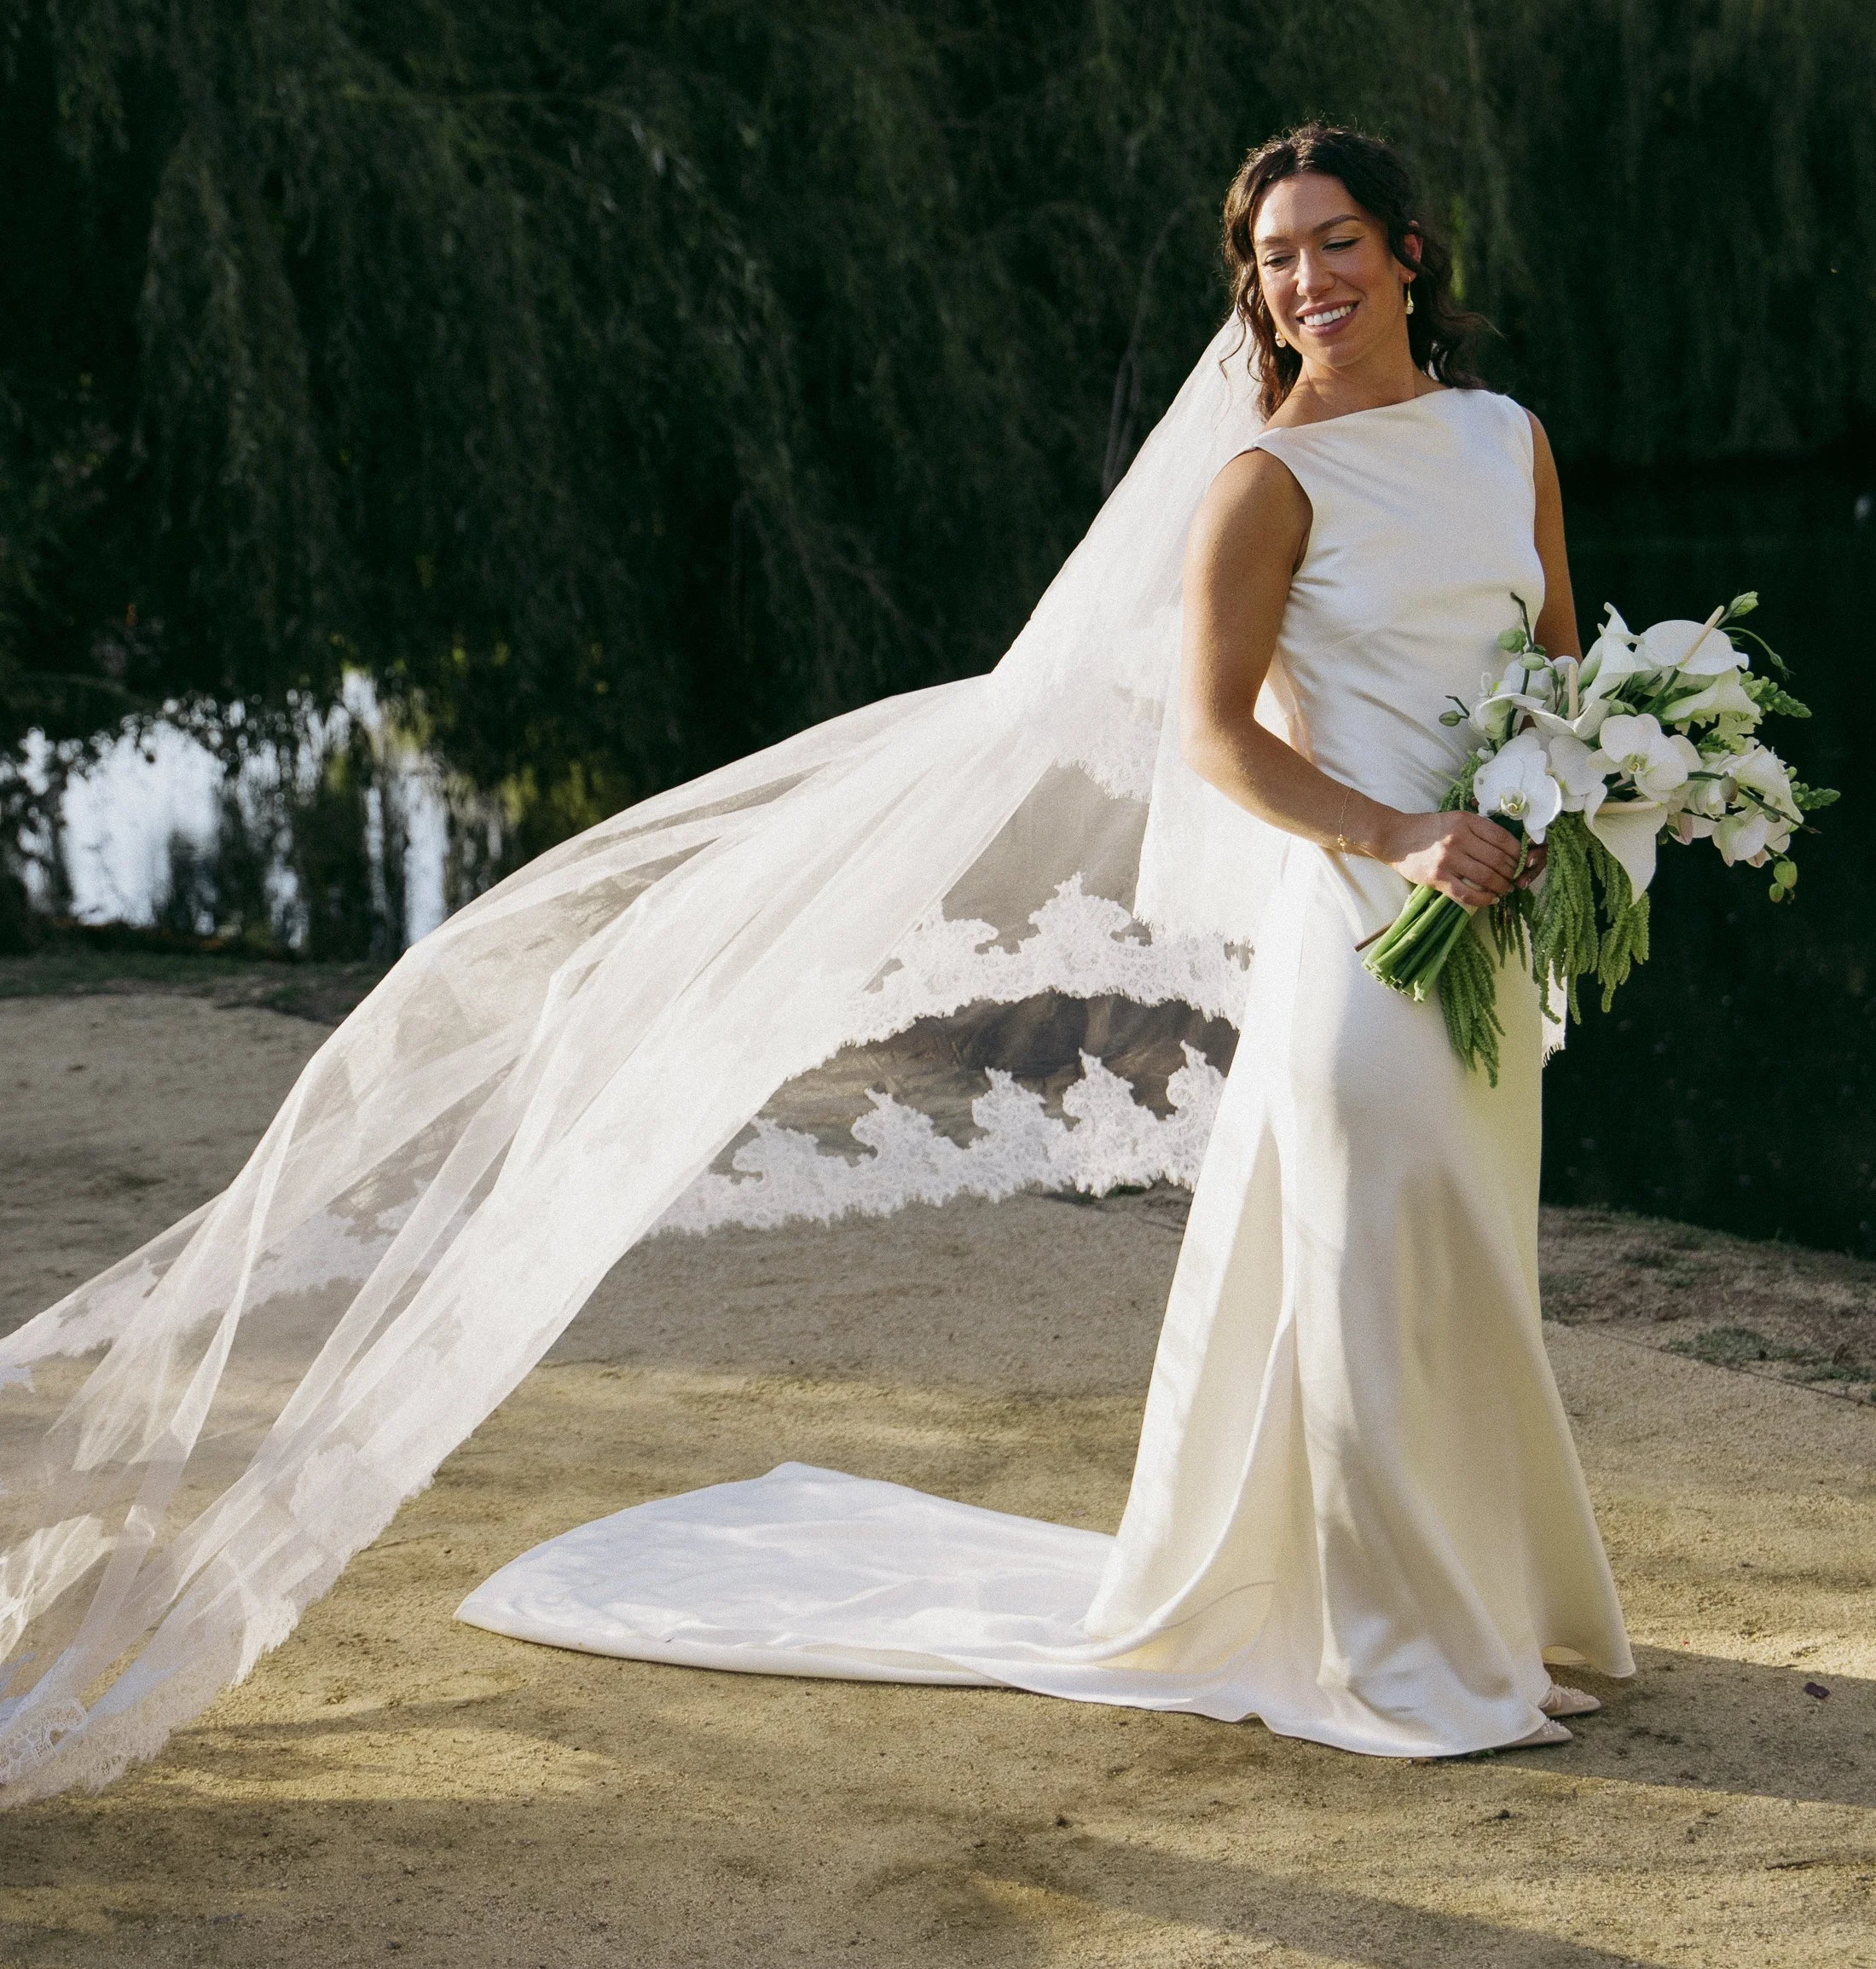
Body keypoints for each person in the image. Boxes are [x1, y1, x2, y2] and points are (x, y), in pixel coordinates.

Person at [455, 125, 1633, 1757]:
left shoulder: (1508, 442)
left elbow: (1563, 674)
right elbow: (1216, 740)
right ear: (1259, 290)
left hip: (1493, 924)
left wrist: (1620, 796)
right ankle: (1403, 1650)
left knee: (1463, 1264)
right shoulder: (1266, 482)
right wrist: (1397, 834)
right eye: (1279, 258)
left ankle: (1485, 1616)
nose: (1311, 282)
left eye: (1340, 243)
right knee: (1374, 1267)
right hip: (1367, 931)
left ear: (1411, 252)